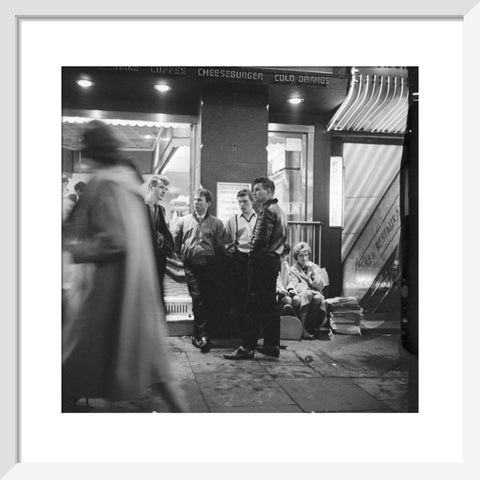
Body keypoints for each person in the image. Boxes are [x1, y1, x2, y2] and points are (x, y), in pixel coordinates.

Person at [62, 120, 188, 413]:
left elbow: (114, 241)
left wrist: (75, 249)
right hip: (136, 290)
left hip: (110, 292)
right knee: (157, 367)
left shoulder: (105, 184)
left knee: (80, 360)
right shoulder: (127, 183)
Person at [224, 176, 287, 360]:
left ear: (269, 191)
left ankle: (247, 347)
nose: (255, 192)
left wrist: (252, 253)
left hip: (261, 263)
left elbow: (260, 239)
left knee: (252, 305)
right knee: (270, 305)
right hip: (273, 261)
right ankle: (271, 345)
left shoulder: (266, 210)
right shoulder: (280, 210)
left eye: (258, 189)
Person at [174, 188, 225, 353]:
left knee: (209, 298)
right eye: (195, 200)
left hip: (210, 266)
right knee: (197, 298)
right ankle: (201, 335)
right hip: (191, 266)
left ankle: (203, 333)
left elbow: (220, 246)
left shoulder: (217, 223)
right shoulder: (183, 221)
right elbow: (176, 243)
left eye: (200, 200)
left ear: (208, 203)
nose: (196, 203)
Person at [223, 189, 257, 339]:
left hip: (255, 260)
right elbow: (226, 241)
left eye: (245, 202)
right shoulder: (233, 220)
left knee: (254, 297)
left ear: (252, 202)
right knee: (239, 296)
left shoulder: (260, 218)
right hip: (239, 260)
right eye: (240, 202)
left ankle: (254, 333)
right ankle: (242, 333)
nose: (242, 205)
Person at [289, 241, 329, 339]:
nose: (304, 258)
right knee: (309, 295)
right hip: (301, 293)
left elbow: (321, 285)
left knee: (318, 297)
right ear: (296, 257)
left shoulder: (314, 267)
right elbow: (295, 285)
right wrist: (308, 287)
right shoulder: (293, 269)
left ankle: (314, 326)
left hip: (314, 291)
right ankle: (303, 328)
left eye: (306, 255)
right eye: (301, 255)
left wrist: (313, 279)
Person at [144, 175, 174, 302]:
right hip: (144, 259)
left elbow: (164, 231)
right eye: (161, 187)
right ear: (151, 187)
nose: (164, 191)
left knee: (156, 293)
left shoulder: (160, 209)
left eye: (166, 189)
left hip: (158, 258)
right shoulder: (140, 207)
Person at [276, 243, 299, 316]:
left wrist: (291, 289)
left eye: (285, 255)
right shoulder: (272, 264)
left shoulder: (285, 265)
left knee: (297, 299)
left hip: (285, 293)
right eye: (282, 255)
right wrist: (280, 290)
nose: (284, 257)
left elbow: (289, 281)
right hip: (276, 294)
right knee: (287, 300)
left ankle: (292, 321)